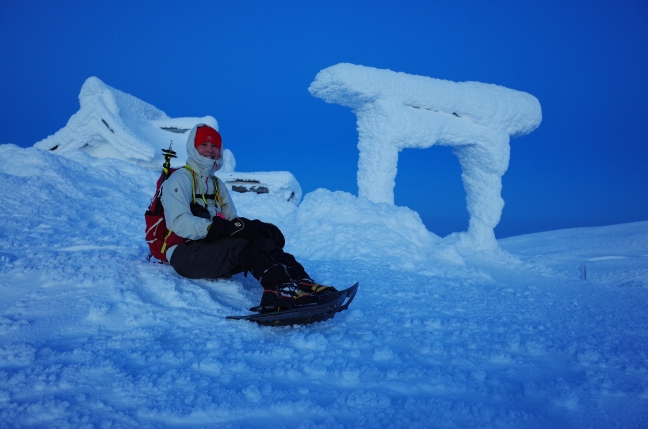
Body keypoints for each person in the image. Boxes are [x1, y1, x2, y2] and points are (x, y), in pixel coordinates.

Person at [160, 123, 335, 310]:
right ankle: (279, 290)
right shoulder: (181, 179)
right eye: (203, 144)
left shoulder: (217, 184)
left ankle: (301, 281)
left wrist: (256, 229)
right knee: (241, 246)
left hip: (207, 250)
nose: (210, 150)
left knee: (260, 241)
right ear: (193, 148)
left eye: (214, 146)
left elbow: (230, 222)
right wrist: (219, 229)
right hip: (183, 253)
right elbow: (179, 222)